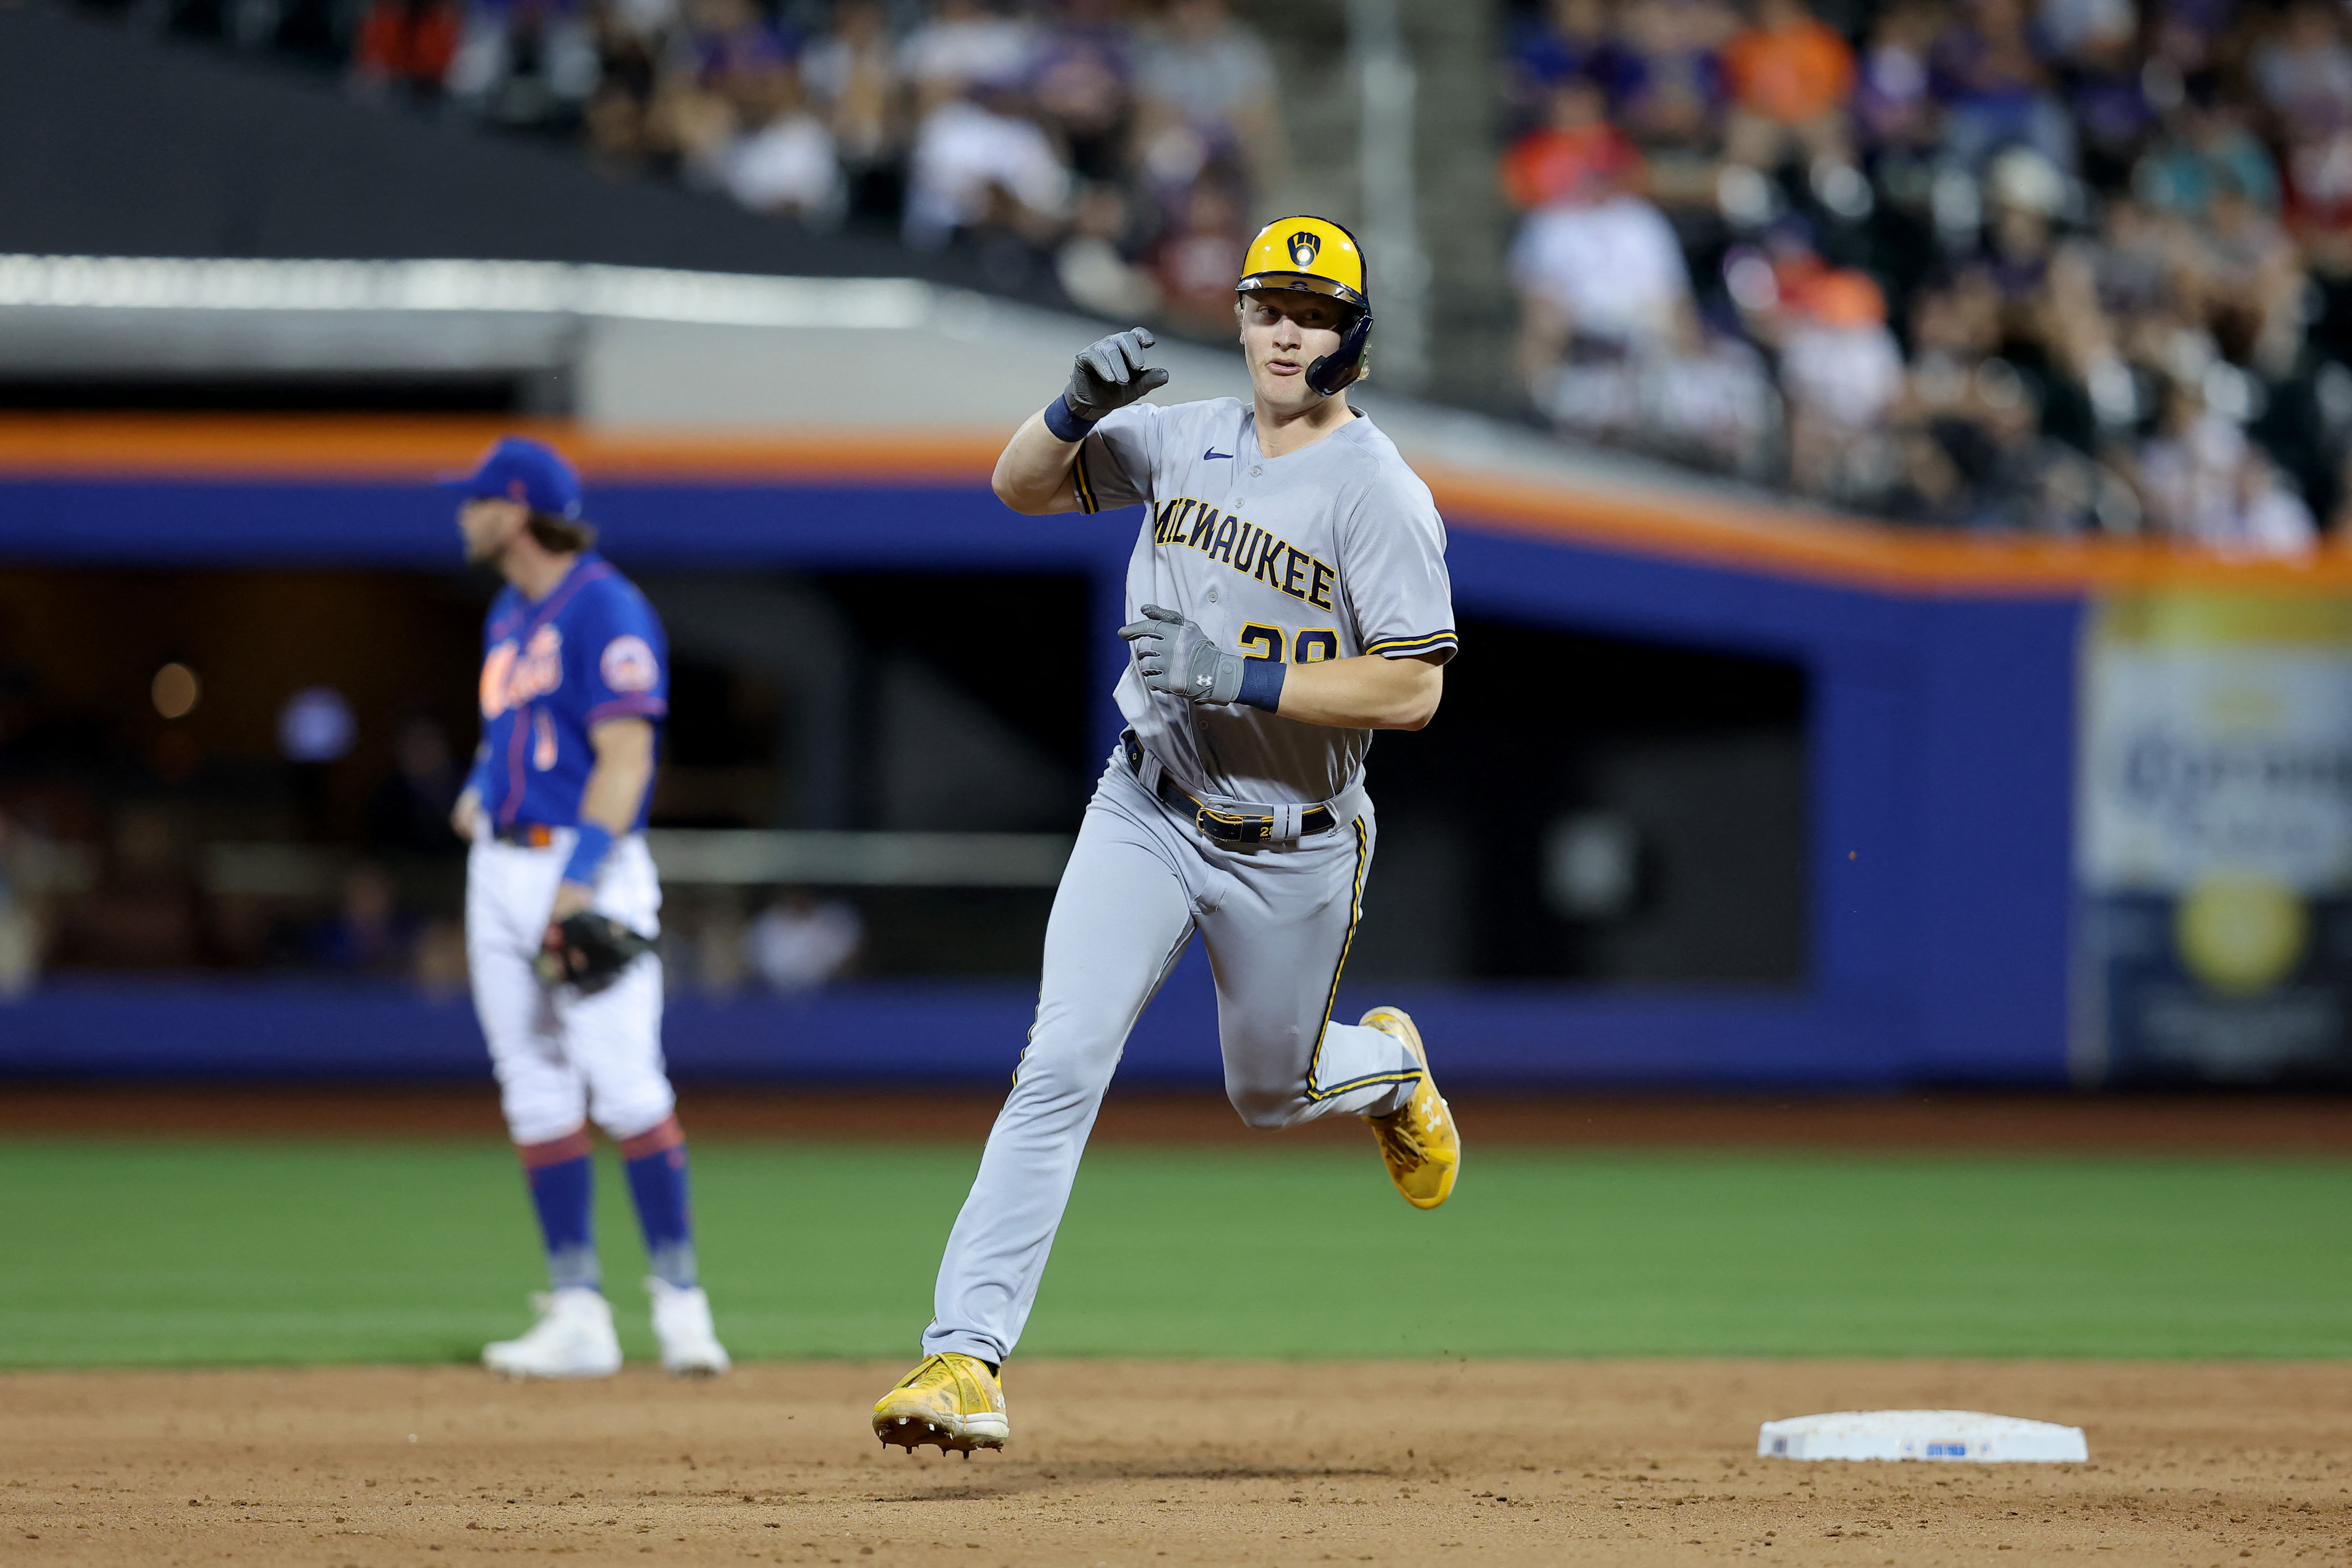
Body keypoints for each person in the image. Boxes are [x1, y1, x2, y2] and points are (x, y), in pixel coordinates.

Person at [869, 218, 1462, 1456]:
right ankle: (964, 1357)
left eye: (1310, 310)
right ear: (1240, 319)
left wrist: (1239, 676)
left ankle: (1392, 1071)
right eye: (1267, 306)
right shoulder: (1182, 434)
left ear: (1352, 334)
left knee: (1271, 1090)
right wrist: (1072, 408)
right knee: (1062, 1056)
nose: (1286, 329)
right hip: (1145, 803)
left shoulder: (1378, 492)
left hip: (1293, 842)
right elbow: (1020, 488)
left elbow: (1412, 691)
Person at [444, 437, 730, 1380]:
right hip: (500, 869)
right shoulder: (508, 614)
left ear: (516, 510)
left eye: (476, 500)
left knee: (626, 1084)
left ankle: (682, 1308)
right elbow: (514, 732)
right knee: (530, 1080)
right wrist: (483, 784)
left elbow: (625, 758)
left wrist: (577, 886)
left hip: (584, 866)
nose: (463, 514)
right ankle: (577, 1312)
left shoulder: (603, 604)